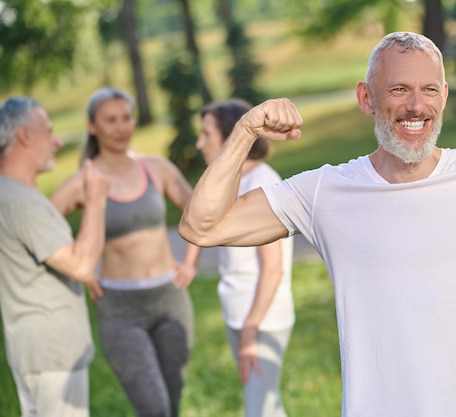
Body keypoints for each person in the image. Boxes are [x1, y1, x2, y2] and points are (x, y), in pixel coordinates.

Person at [179, 31, 456, 417]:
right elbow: (203, 227)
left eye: (429, 90)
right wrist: (244, 132)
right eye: (398, 90)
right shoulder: (323, 192)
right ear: (365, 98)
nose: (416, 105)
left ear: (445, 96)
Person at [51, 87, 200, 417]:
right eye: (111, 120)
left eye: (127, 118)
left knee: (172, 403)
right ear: (93, 126)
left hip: (170, 298)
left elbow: (200, 213)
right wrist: (81, 270)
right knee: (154, 407)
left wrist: (190, 263)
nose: (121, 127)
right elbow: (43, 227)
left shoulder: (157, 168)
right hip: (119, 308)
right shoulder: (83, 182)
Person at [0, 96, 109, 417]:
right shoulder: (21, 202)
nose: (57, 142)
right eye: (48, 132)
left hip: (32, 351)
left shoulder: (11, 194)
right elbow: (80, 263)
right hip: (53, 354)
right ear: (23, 136)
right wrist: (97, 199)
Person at [196, 98, 295, 417]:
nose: (199, 144)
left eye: (206, 135)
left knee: (259, 410)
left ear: (231, 137)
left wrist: (251, 330)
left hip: (262, 321)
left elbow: (273, 268)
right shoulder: (234, 180)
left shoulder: (262, 183)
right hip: (240, 314)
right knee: (266, 405)